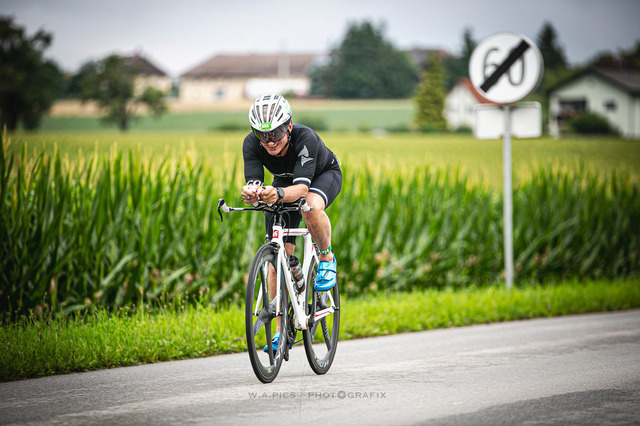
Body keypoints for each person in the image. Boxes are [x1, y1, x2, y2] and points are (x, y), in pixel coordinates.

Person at [241, 94, 342, 352]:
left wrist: (278, 193)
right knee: (277, 260)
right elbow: (254, 182)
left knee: (310, 207)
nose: (269, 141)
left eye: (275, 133)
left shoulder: (305, 137)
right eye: (262, 135)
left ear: (288, 126)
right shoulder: (251, 144)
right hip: (285, 184)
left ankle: (326, 257)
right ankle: (281, 329)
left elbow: (301, 190)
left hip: (320, 176)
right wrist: (252, 193)